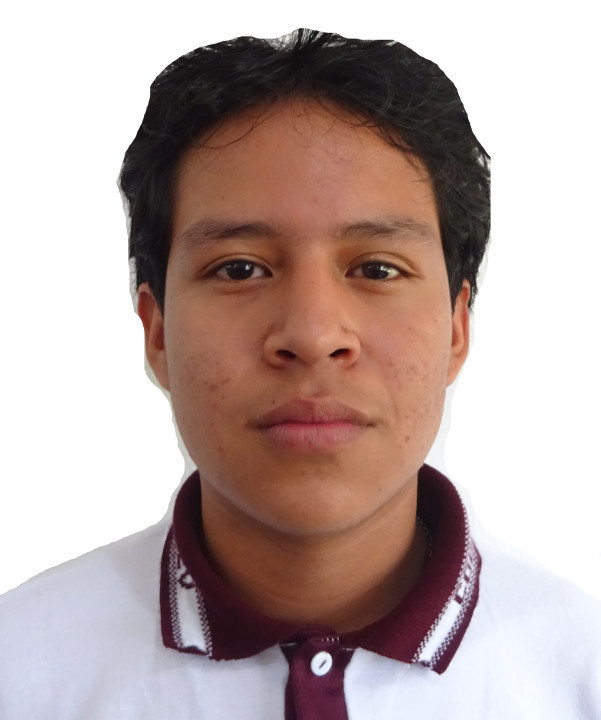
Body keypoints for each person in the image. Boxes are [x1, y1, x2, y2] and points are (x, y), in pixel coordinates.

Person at [1, 28, 599, 719]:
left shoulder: (577, 675)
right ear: (156, 329)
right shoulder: (22, 673)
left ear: (457, 328)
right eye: (239, 269)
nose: (313, 337)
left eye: (377, 269)